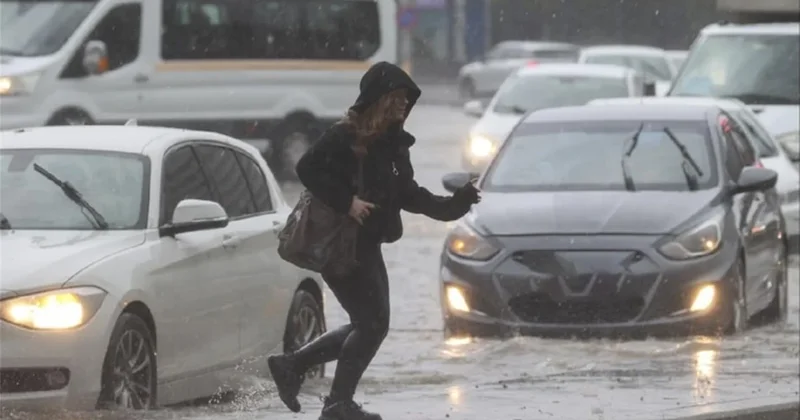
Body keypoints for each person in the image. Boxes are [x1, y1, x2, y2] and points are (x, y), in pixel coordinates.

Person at [267, 62, 481, 420]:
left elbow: (410, 195)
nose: (403, 106)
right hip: (341, 246)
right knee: (372, 323)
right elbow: (307, 169)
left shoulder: (395, 146)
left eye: (406, 100)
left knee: (369, 323)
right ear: (378, 100)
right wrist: (346, 202)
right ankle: (335, 402)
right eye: (396, 98)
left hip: (367, 246)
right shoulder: (344, 136)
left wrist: (455, 205)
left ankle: (295, 368)